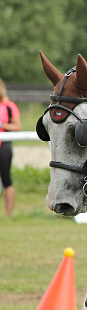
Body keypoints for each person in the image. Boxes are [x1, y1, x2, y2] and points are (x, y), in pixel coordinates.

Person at [0, 78, 22, 217]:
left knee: (6, 179)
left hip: (4, 146)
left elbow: (18, 127)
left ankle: (8, 214)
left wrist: (3, 126)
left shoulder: (9, 106)